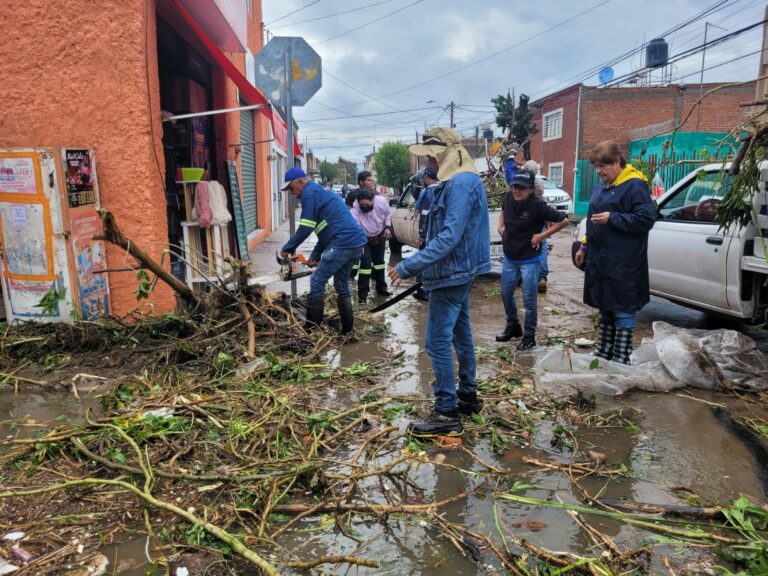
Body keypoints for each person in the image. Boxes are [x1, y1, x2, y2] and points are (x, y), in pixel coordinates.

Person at [389, 127, 490, 437]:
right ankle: (468, 397)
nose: (427, 161)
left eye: (431, 155)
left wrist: (408, 266)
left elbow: (449, 236)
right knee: (461, 335)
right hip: (459, 270)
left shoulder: (461, 183)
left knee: (436, 341)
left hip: (452, 273)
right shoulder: (462, 179)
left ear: (445, 153)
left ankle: (446, 411)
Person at [574, 140, 656, 364]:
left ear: (617, 162)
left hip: (624, 261)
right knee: (605, 305)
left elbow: (647, 218)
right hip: (602, 258)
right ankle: (603, 351)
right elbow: (593, 219)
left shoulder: (634, 185)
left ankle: (621, 356)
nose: (599, 171)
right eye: (596, 167)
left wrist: (614, 218)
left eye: (604, 166)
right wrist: (584, 245)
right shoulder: (603, 185)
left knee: (622, 308)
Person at [279, 167, 367, 334]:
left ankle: (312, 329)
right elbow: (324, 231)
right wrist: (315, 255)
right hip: (355, 243)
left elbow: (305, 227)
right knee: (341, 285)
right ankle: (347, 331)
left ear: (300, 181)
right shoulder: (317, 192)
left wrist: (287, 248)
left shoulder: (308, 194)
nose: (292, 193)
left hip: (343, 242)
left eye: (291, 188)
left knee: (317, 280)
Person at [496, 169, 569, 350]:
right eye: (515, 187)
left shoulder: (538, 205)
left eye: (521, 188)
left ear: (531, 189)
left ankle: (529, 336)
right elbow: (503, 209)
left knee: (529, 299)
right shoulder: (509, 197)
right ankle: (513, 326)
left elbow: (564, 221)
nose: (516, 191)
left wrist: (541, 236)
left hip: (529, 259)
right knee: (505, 293)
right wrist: (501, 227)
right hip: (510, 257)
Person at [350, 188, 393, 303]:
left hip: (380, 234)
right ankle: (362, 295)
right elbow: (356, 230)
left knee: (379, 263)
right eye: (362, 205)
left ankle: (381, 288)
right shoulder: (354, 211)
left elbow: (388, 214)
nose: (365, 207)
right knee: (365, 265)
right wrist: (368, 239)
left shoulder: (381, 202)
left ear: (372, 200)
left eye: (367, 204)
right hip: (363, 239)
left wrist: (388, 227)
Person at [412, 165, 442, 302]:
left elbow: (423, 216)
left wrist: (421, 236)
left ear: (426, 178)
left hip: (428, 235)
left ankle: (422, 290)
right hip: (440, 236)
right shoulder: (444, 189)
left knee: (423, 261)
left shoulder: (426, 192)